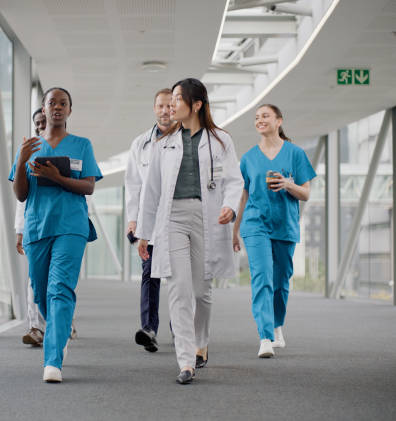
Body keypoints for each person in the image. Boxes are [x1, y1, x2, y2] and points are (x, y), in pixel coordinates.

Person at [136, 78, 243, 384]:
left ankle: (201, 342)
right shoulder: (164, 143)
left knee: (201, 290)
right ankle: (186, 361)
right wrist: (145, 232)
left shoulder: (221, 140)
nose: (172, 105)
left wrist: (230, 207)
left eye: (179, 99)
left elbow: (234, 180)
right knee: (179, 289)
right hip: (172, 219)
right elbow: (151, 191)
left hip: (207, 216)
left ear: (196, 105)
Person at [9, 87, 102, 383]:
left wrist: (57, 178)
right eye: (52, 103)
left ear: (70, 110)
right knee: (41, 292)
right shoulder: (29, 147)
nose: (57, 107)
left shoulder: (81, 145)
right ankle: (59, 334)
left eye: (63, 103)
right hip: (38, 227)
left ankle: (52, 361)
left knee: (60, 288)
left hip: (71, 226)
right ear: (44, 109)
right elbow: (21, 194)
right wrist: (23, 163)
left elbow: (88, 186)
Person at [232, 104, 316, 358]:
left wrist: (288, 184)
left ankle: (277, 325)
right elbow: (243, 196)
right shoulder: (248, 158)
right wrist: (234, 230)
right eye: (257, 117)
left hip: (285, 225)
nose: (260, 120)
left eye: (265, 116)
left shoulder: (295, 154)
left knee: (280, 283)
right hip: (255, 225)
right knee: (262, 277)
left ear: (279, 121)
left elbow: (306, 193)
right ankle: (265, 337)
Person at [125, 88, 173, 353]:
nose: (165, 111)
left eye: (169, 106)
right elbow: (133, 185)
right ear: (154, 108)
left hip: (178, 219)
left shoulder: (187, 140)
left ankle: (181, 330)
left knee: (178, 279)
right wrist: (132, 220)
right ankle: (149, 329)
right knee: (149, 275)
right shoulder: (140, 144)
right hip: (149, 222)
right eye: (160, 106)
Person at [18, 108, 48, 347]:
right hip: (35, 227)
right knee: (34, 280)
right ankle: (35, 327)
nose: (40, 126)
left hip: (63, 227)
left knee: (59, 280)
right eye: (37, 123)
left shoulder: (71, 147)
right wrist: (20, 230)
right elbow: (22, 196)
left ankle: (61, 321)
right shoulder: (27, 153)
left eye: (44, 121)